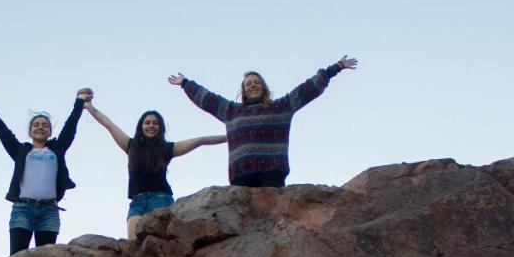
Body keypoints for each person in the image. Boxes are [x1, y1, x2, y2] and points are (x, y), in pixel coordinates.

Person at [168, 56, 358, 188]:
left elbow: (307, 89)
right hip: (241, 178)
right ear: (243, 90)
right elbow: (207, 99)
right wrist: (185, 83)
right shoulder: (231, 111)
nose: (253, 85)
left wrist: (335, 68)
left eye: (256, 82)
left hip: (272, 176)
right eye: (248, 83)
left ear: (264, 87)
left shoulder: (282, 106)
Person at [0, 76, 92, 255]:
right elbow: (1, 130)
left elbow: (70, 127)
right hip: (23, 210)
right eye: (36, 125)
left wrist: (79, 103)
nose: (40, 127)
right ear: (29, 131)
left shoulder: (57, 149)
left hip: (49, 211)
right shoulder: (21, 151)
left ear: (50, 131)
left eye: (45, 125)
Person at [84, 96, 226, 237]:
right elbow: (110, 125)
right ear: (141, 126)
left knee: (161, 243)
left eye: (155, 123)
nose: (151, 125)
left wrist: (229, 137)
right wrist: (90, 108)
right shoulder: (131, 145)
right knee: (134, 245)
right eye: (147, 122)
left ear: (160, 128)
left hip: (161, 199)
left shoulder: (167, 148)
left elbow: (200, 140)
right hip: (137, 202)